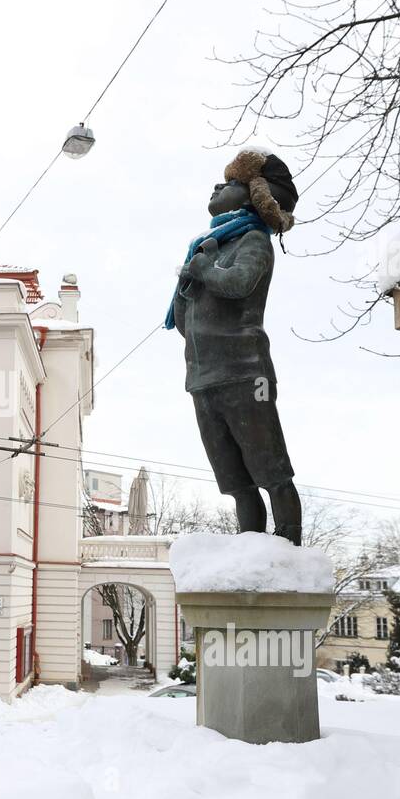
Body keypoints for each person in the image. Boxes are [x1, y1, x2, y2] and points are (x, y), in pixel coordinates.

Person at [165, 149, 303, 545]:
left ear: (252, 195)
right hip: (203, 378)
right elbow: (185, 324)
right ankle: (249, 551)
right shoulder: (209, 245)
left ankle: (288, 553)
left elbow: (240, 283)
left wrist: (205, 270)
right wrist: (188, 284)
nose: (217, 186)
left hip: (245, 373)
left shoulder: (253, 240)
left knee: (272, 472)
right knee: (235, 481)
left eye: (229, 183)